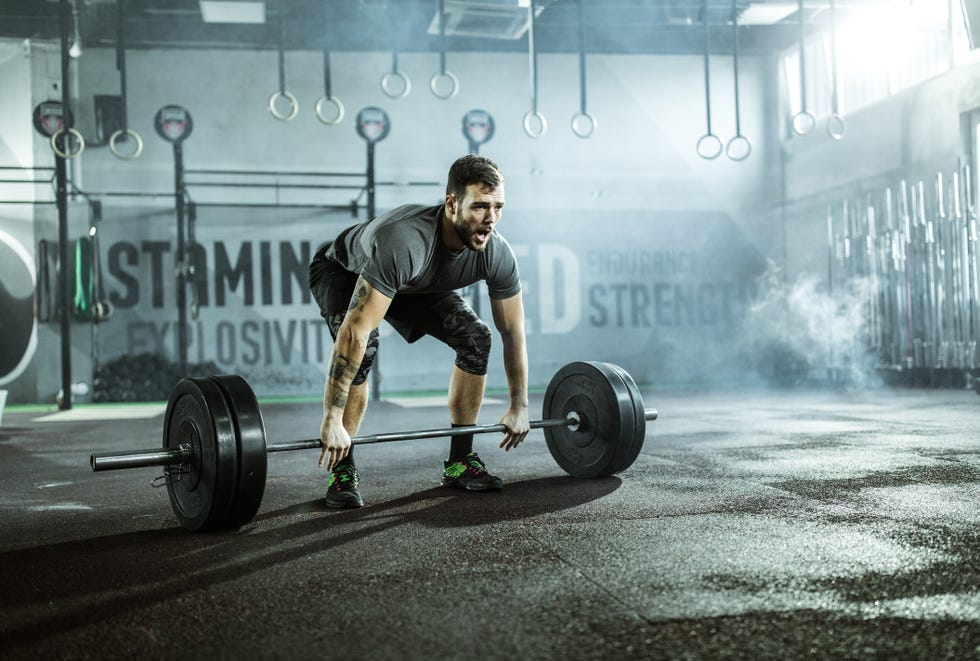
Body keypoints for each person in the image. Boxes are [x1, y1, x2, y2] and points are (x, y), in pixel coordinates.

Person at [308, 155, 530, 508]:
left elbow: (513, 332)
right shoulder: (405, 242)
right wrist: (331, 419)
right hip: (342, 271)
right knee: (364, 348)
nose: (490, 219)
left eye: (498, 207)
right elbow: (354, 334)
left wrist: (519, 405)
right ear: (452, 204)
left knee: (476, 339)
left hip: (412, 283)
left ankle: (459, 462)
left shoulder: (496, 252)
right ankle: (342, 470)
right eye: (480, 207)